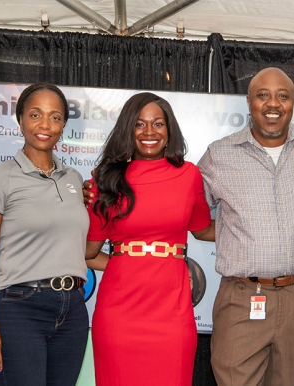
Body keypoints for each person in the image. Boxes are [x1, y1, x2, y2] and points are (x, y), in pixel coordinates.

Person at [197, 67, 294, 386]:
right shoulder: (220, 154)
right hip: (242, 296)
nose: (273, 103)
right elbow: (192, 215)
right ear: (249, 102)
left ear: (293, 102)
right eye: (263, 95)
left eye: (282, 96)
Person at [84, 92, 213, 385]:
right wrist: (127, 259)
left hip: (173, 314)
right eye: (139, 125)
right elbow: (88, 253)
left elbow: (203, 229)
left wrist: (253, 226)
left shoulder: (189, 175)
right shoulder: (104, 180)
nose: (149, 132)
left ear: (169, 131)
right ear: (127, 131)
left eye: (158, 124)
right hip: (120, 315)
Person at [0, 82, 89, 385]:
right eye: (35, 115)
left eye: (55, 117)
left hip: (73, 310)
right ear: (20, 119)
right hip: (18, 308)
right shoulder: (0, 178)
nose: (45, 125)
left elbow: (79, 246)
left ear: (64, 124)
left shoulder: (74, 178)